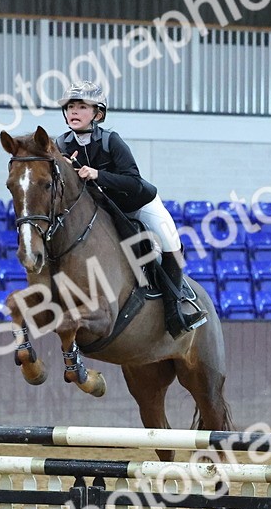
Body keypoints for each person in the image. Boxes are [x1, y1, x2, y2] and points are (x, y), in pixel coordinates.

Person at [53, 81, 207, 338]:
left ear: (97, 114)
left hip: (139, 204)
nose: (74, 112)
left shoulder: (112, 141)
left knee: (171, 242)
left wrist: (98, 175)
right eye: (70, 107)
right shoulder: (62, 144)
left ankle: (175, 311)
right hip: (106, 211)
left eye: (82, 106)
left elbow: (133, 182)